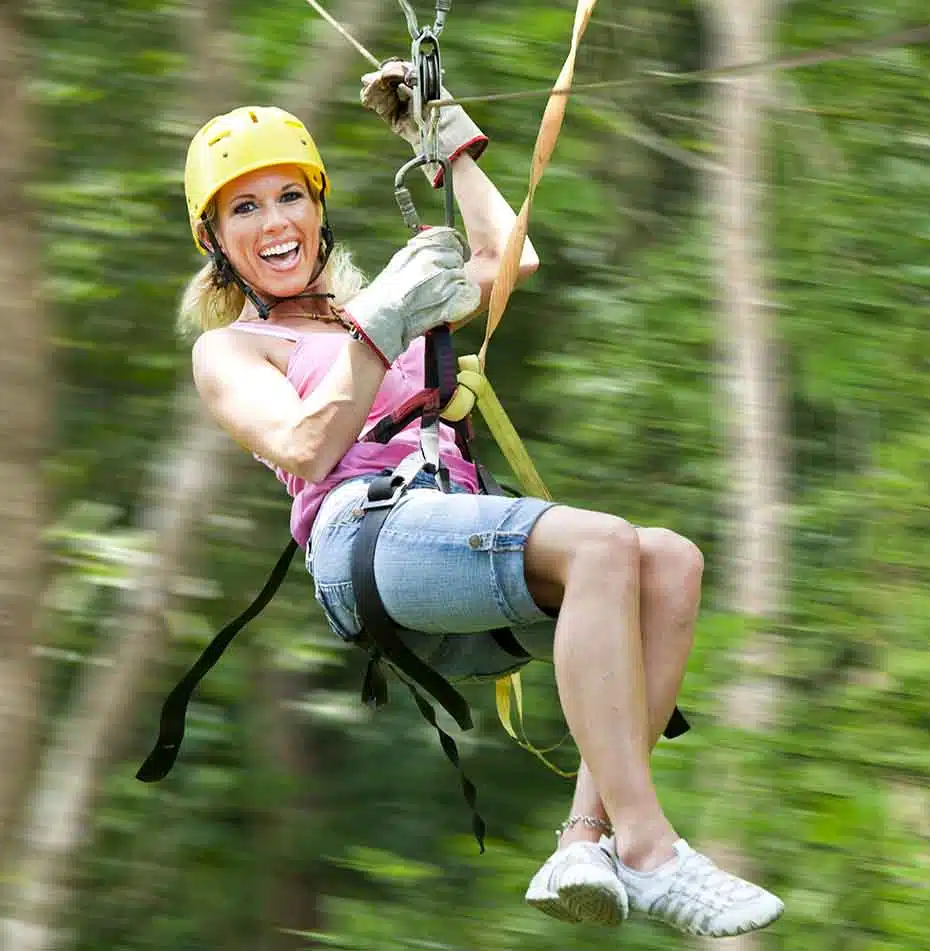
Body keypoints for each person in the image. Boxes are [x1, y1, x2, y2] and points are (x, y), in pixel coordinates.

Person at [177, 60, 783, 938]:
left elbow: (512, 258)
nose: (275, 222)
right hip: (368, 539)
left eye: (289, 197)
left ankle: (588, 838)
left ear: (318, 206)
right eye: (245, 208)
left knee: (670, 561)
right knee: (605, 543)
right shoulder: (235, 350)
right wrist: (382, 324)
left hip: (452, 526)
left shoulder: (383, 296)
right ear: (215, 239)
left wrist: (445, 139)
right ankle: (651, 850)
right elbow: (308, 445)